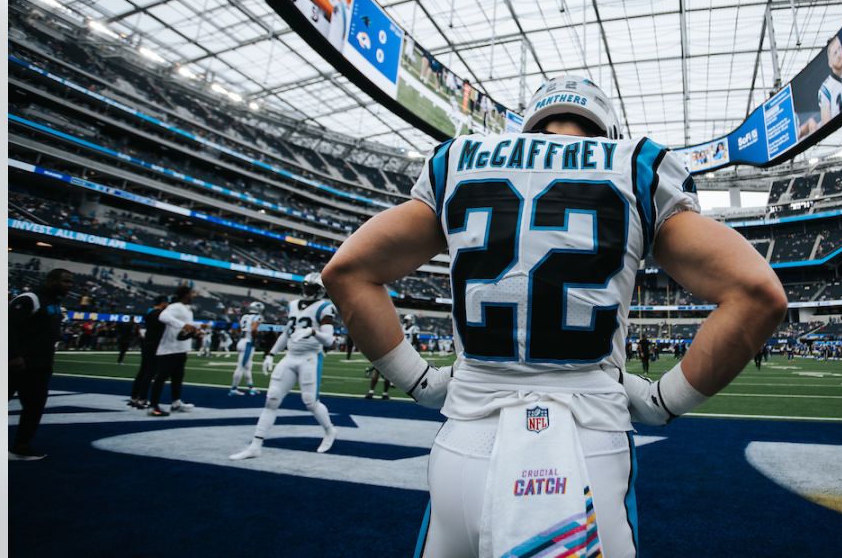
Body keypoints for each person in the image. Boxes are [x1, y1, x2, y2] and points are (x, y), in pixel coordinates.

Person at [322, 75, 787, 557]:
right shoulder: (635, 165)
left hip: (465, 440)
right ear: (606, 127)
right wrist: (662, 402)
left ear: (531, 124)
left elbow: (347, 272)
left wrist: (419, 381)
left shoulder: (459, 161)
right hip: (589, 445)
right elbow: (757, 292)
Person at [229, 273, 337, 459]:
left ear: (320, 291)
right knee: (271, 399)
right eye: (306, 287)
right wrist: (271, 354)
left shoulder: (325, 307)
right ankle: (256, 445)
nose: (307, 291)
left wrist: (312, 331)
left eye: (312, 288)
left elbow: (329, 340)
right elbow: (287, 333)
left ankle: (329, 431)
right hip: (291, 355)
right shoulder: (293, 305)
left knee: (310, 402)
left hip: (310, 357)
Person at [9, 268, 75, 460]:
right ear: (51, 280)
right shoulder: (30, 298)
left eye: (71, 282)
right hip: (17, 364)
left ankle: (21, 446)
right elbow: (8, 326)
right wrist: (13, 355)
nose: (69, 286)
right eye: (65, 281)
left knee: (34, 406)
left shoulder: (54, 302)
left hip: (40, 365)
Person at [148, 285, 203, 417]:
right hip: (169, 349)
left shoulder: (187, 309)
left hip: (181, 348)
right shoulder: (175, 306)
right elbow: (163, 317)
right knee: (161, 377)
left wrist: (197, 329)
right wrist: (184, 325)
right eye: (192, 293)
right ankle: (153, 406)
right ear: (185, 294)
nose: (194, 296)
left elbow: (185, 328)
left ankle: (176, 402)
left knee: (178, 378)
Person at [128, 295, 170, 409]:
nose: (168, 305)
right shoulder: (158, 314)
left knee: (143, 371)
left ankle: (134, 397)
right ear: (163, 303)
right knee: (150, 372)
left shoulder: (149, 313)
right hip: (154, 345)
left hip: (147, 344)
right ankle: (142, 399)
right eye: (167, 303)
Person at [229, 301, 265, 396]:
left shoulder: (244, 316)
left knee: (248, 367)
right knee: (241, 367)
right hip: (248, 343)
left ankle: (251, 387)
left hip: (241, 341)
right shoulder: (258, 317)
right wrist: (255, 338)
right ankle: (233, 389)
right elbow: (253, 329)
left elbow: (238, 329)